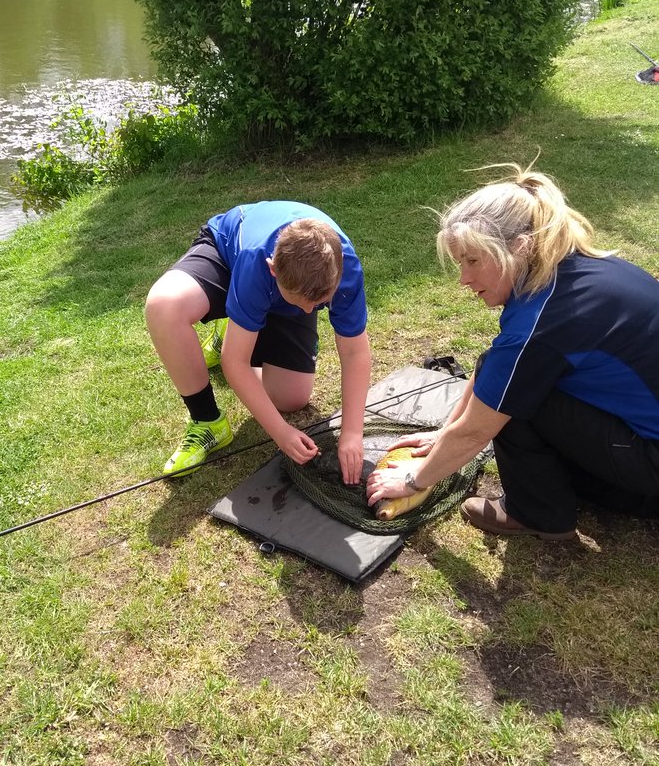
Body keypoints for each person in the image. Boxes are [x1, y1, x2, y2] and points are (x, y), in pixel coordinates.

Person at [366, 165, 659, 539]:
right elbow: (495, 366)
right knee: (503, 375)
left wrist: (413, 480)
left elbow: (477, 430)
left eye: (473, 261)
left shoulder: (542, 322)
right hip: (639, 434)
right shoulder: (579, 269)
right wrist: (443, 433)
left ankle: (536, 514)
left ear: (519, 247)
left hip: (651, 463)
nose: (464, 279)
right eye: (460, 263)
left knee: (514, 402)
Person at [145, 201, 372, 479]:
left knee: (291, 398)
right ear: (273, 269)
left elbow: (354, 353)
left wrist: (352, 433)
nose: (309, 312)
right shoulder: (256, 261)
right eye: (303, 303)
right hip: (228, 256)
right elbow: (235, 362)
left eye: (320, 303)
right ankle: (207, 419)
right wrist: (280, 432)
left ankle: (239, 329)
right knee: (164, 307)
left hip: (283, 290)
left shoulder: (344, 269)